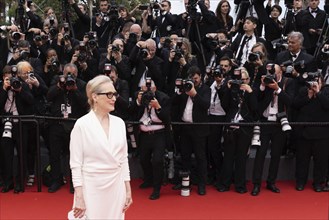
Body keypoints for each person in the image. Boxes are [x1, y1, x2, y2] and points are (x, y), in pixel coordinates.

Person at [70, 75, 132, 219]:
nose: (114, 98)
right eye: (109, 94)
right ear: (95, 97)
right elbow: (76, 164)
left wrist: (127, 190)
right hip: (91, 188)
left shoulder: (119, 123)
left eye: (115, 94)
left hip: (116, 188)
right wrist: (79, 196)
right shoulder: (82, 125)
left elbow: (123, 160)